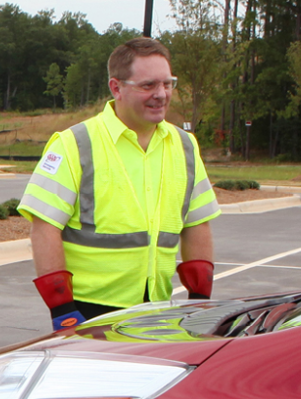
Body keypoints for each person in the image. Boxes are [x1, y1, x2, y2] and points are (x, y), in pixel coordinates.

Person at [19, 37, 219, 330]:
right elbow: (44, 227)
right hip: (88, 315)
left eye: (168, 84)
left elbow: (197, 224)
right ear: (116, 88)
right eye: (148, 85)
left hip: (158, 311)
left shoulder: (185, 145)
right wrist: (62, 309)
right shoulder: (74, 144)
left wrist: (200, 301)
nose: (161, 94)